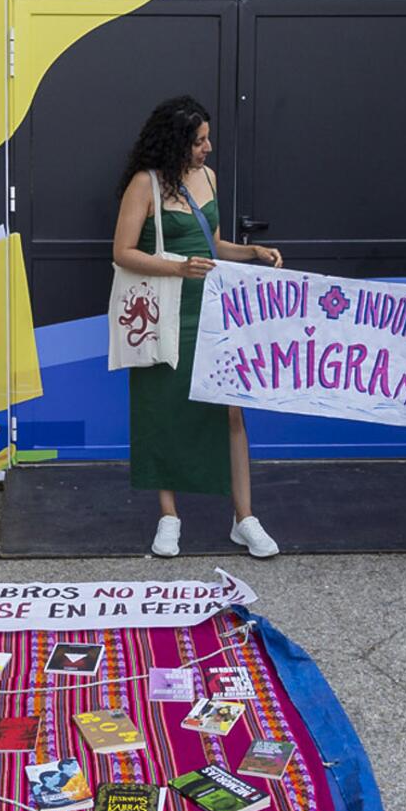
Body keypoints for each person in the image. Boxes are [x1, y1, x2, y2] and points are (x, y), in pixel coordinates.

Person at [111, 97, 287, 561]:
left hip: (213, 311)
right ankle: (169, 516)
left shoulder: (209, 178)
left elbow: (213, 245)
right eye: (199, 140)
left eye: (207, 137)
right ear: (175, 142)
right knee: (164, 411)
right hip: (166, 313)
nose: (208, 147)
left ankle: (243, 518)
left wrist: (253, 253)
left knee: (230, 410)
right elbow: (122, 251)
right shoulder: (143, 184)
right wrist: (176, 269)